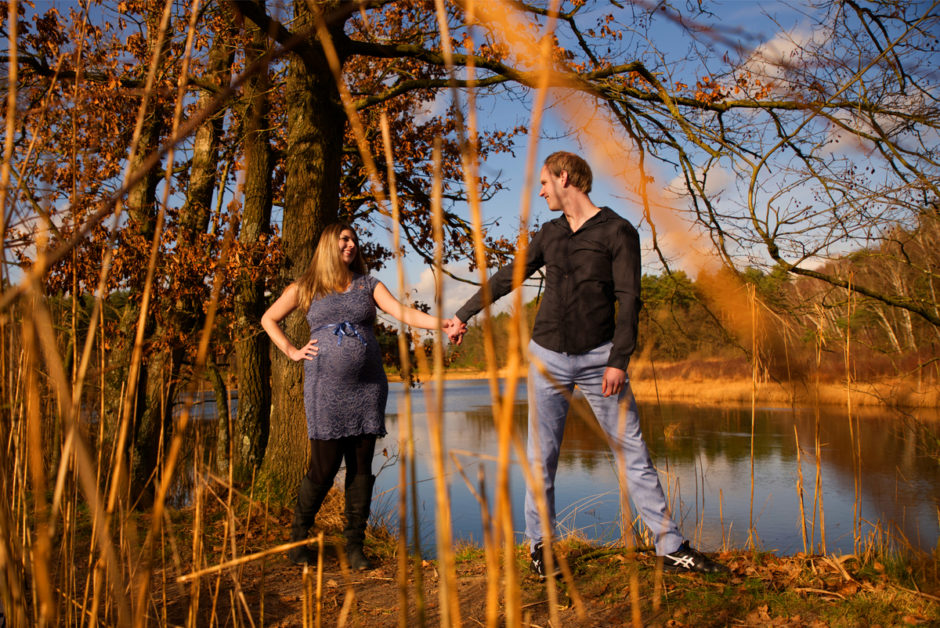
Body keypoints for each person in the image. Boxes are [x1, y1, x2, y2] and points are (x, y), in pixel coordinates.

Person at [447, 151, 728, 578]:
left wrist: (618, 360)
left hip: (601, 362)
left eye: (544, 182)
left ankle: (670, 546)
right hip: (547, 359)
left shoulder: (618, 231)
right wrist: (464, 314)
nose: (541, 191)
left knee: (632, 452)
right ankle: (541, 546)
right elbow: (509, 276)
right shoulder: (550, 234)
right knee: (543, 457)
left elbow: (630, 300)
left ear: (564, 177)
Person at [262, 222, 457, 569]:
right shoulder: (306, 287)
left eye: (353, 239)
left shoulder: (368, 285)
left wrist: (441, 323)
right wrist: (291, 351)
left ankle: (355, 546)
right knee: (323, 470)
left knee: (361, 468)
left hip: (368, 388)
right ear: (328, 245)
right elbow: (268, 318)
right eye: (344, 239)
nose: (351, 244)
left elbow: (403, 313)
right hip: (325, 390)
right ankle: (297, 540)